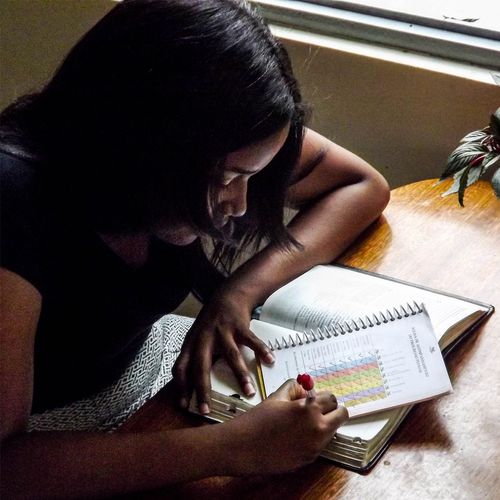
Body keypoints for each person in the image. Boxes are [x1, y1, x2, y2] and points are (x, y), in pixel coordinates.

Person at [0, 0, 390, 497]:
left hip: (137, 378)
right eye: (226, 177)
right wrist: (232, 448)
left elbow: (363, 186)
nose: (240, 202)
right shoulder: (12, 203)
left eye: (252, 176)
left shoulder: (224, 142)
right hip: (46, 442)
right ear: (144, 143)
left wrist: (237, 293)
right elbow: (5, 465)